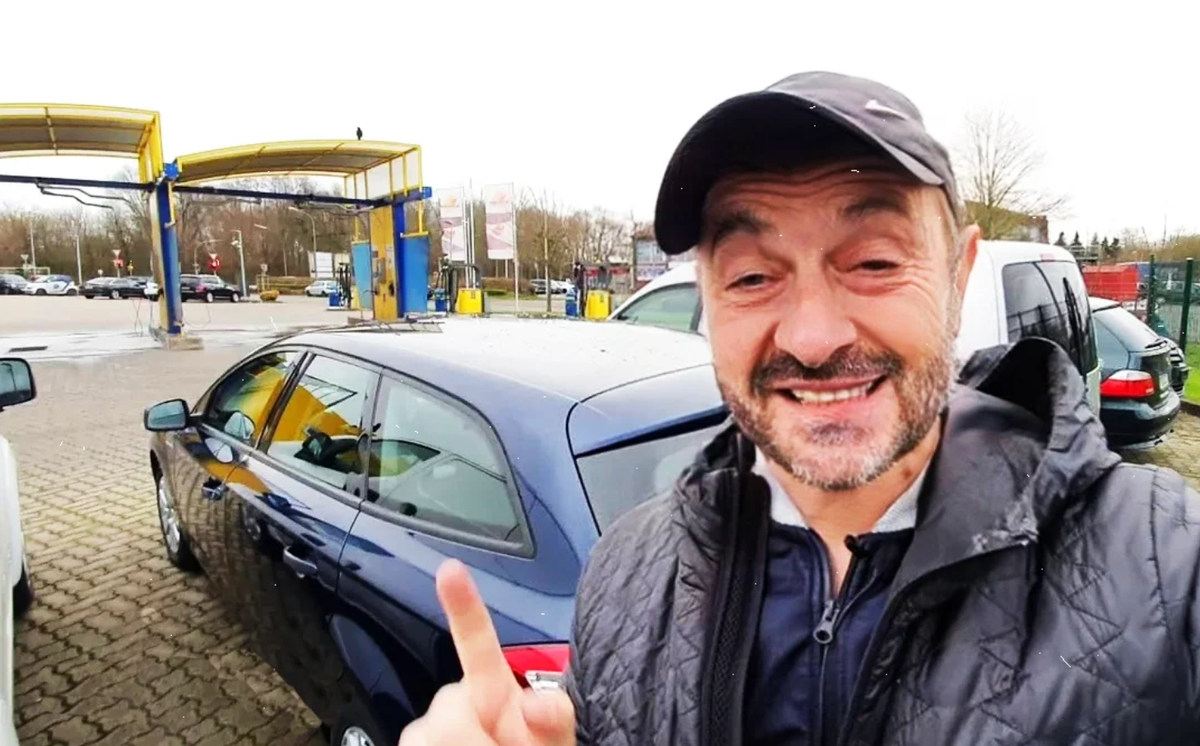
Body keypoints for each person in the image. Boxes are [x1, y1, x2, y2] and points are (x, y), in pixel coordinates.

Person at [401, 72, 1200, 745]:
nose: (814, 339)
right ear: (709, 301)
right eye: (753, 277)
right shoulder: (626, 571)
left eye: (874, 262)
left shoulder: (1169, 567)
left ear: (959, 277)